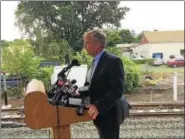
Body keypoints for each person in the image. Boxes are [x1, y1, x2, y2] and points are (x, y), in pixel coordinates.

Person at [83, 29, 131, 139]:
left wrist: (97, 106)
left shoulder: (114, 61)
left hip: (109, 114)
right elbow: (93, 84)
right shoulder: (94, 61)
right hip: (100, 115)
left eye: (87, 43)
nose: (84, 46)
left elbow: (117, 90)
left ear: (98, 44)